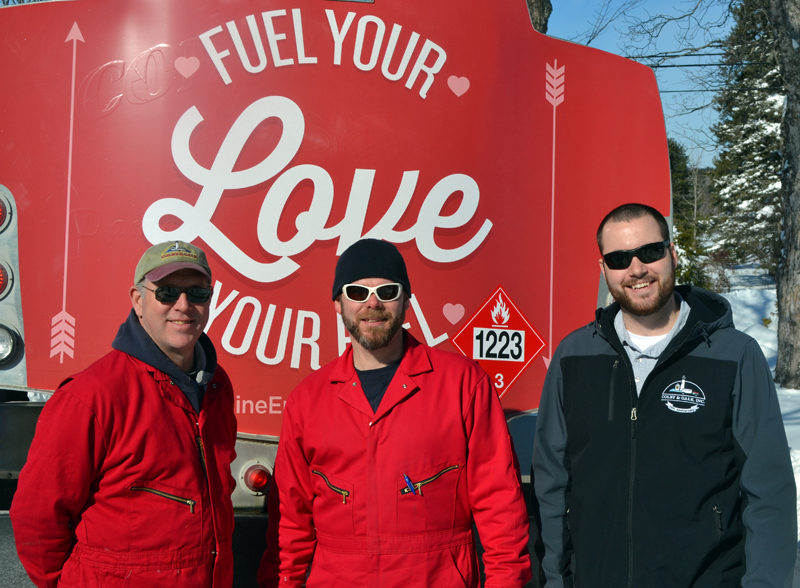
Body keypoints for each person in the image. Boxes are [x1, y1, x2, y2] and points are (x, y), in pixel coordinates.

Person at [533, 203, 797, 587]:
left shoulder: (733, 355)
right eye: (620, 258)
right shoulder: (574, 356)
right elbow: (552, 485)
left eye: (650, 252)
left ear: (672, 254)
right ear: (604, 269)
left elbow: (768, 492)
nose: (637, 269)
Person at [257, 238, 532, 587]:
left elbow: (500, 505)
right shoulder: (307, 400)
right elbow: (291, 524)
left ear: (406, 301)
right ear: (338, 305)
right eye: (357, 293)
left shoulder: (462, 384)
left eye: (387, 291)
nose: (373, 303)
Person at [11, 241, 237, 588]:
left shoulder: (217, 386)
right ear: (137, 299)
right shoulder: (91, 395)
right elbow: (37, 516)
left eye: (197, 292)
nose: (183, 305)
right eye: (166, 292)